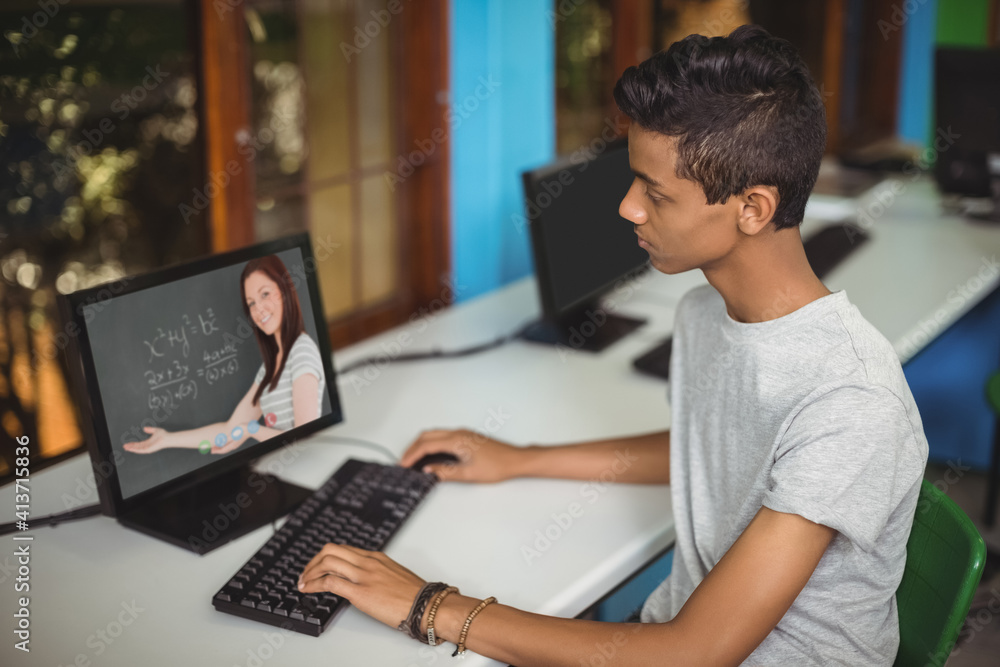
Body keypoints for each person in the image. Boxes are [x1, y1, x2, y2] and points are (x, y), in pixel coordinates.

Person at [297, 26, 928, 666]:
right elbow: (714, 449)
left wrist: (430, 607)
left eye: (655, 193)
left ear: (754, 208)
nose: (628, 208)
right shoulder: (706, 313)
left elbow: (692, 654)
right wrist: (520, 458)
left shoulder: (851, 402)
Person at [123, 255, 326, 455]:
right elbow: (230, 430)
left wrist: (250, 430)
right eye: (251, 303)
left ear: (284, 290)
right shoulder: (269, 369)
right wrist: (167, 439)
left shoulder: (302, 352)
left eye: (264, 294)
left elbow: (304, 438)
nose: (258, 309)